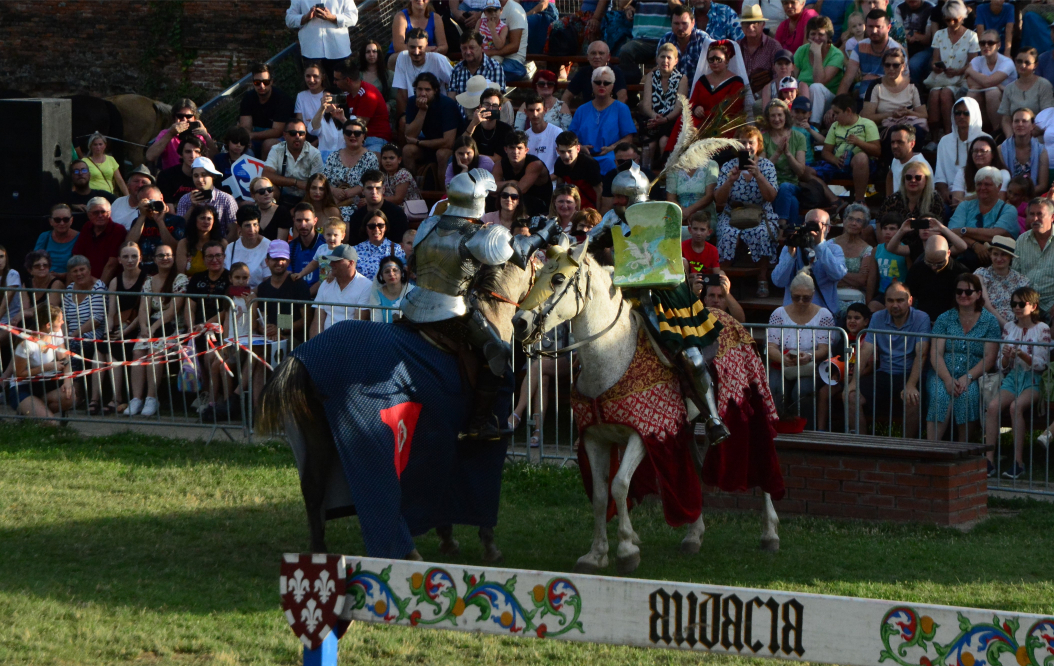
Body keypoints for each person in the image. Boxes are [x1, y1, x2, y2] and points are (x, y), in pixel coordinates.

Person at [401, 167, 558, 439]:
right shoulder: (480, 233)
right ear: (479, 200)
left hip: (414, 302)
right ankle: (480, 421)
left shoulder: (429, 223)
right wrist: (543, 235)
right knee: (497, 350)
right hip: (452, 309)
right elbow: (519, 254)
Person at [926, 272, 1001, 441]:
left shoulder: (990, 322)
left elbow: (989, 357)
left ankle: (963, 449)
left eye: (968, 292)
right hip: (942, 373)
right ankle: (930, 450)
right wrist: (947, 379)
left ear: (978, 294)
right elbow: (936, 353)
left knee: (967, 396)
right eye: (959, 291)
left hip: (973, 375)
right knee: (940, 395)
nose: (963, 295)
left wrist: (967, 377)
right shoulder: (944, 318)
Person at [985, 286, 1048, 479]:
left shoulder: (1042, 329)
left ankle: (1018, 462)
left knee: (1015, 407)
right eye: (1014, 304)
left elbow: (1042, 364)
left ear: (1034, 306)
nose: (1017, 307)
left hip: (1033, 379)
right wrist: (1006, 357)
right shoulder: (1009, 328)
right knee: (993, 406)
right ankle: (989, 460)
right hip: (1013, 376)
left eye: (1022, 304)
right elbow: (1001, 366)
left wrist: (1023, 354)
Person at [715, 125, 781, 297]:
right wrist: (730, 181)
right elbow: (719, 200)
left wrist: (758, 175)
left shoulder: (766, 166)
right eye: (742, 143)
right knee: (728, 234)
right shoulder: (728, 166)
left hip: (760, 213)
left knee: (763, 233)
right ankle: (722, 281)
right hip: (733, 213)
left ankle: (762, 277)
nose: (746, 147)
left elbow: (771, 196)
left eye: (750, 142)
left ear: (758, 144)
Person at [766, 271, 835, 428]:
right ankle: (775, 429)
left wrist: (809, 356)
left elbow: (825, 349)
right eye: (796, 297)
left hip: (811, 364)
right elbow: (770, 347)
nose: (801, 302)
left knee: (802, 391)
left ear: (813, 294)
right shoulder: (779, 314)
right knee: (775, 388)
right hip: (782, 363)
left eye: (806, 298)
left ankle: (805, 430)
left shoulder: (824, 315)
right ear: (790, 294)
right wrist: (782, 358)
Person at [862, 282, 931, 437]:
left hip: (909, 373)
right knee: (851, 395)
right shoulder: (878, 317)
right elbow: (866, 349)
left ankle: (906, 449)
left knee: (913, 398)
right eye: (890, 300)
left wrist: (912, 385)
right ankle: (861, 445)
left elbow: (922, 353)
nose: (895, 305)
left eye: (900, 300)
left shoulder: (921, 318)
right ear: (885, 302)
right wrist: (851, 383)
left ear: (910, 301)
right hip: (884, 373)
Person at [665, 40, 746, 154]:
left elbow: (733, 108)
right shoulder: (703, 81)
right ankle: (674, 155)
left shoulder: (736, 82)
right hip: (701, 117)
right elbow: (692, 102)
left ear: (727, 60)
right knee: (683, 121)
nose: (715, 63)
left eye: (719, 59)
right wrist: (695, 108)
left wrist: (708, 116)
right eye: (711, 59)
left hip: (722, 122)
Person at [6, 305, 74, 426]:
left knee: (70, 396)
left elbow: (65, 359)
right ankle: (33, 412)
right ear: (48, 325)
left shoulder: (57, 332)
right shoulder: (26, 344)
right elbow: (19, 374)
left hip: (44, 384)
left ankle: (31, 415)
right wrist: (48, 367)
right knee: (52, 424)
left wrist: (68, 379)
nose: (63, 322)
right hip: (24, 387)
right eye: (60, 320)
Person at [566, 67, 636, 178]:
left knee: (610, 163)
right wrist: (581, 147)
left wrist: (611, 148)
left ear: (612, 86)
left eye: (606, 83)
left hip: (611, 156)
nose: (602, 85)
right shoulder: (581, 110)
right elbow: (571, 138)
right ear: (592, 84)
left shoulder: (621, 109)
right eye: (598, 82)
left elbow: (628, 138)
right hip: (585, 156)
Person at [772, 208, 848, 309]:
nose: (813, 229)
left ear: (828, 228)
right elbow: (778, 281)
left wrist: (820, 246)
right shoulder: (791, 248)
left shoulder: (834, 249)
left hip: (823, 312)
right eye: (810, 224)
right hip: (793, 312)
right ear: (803, 225)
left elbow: (837, 274)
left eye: (817, 225)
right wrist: (791, 256)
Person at [948, 167, 1020, 270]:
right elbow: (952, 233)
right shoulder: (965, 206)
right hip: (963, 262)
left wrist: (964, 230)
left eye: (987, 184)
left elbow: (996, 234)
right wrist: (975, 245)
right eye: (979, 184)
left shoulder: (1008, 209)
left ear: (999, 187)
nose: (982, 188)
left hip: (996, 262)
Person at [861, 47, 927, 157]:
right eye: (887, 65)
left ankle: (913, 164)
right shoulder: (876, 86)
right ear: (883, 67)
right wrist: (891, 115)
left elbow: (924, 114)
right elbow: (867, 117)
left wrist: (907, 113)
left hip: (908, 125)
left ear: (903, 66)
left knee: (917, 132)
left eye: (896, 65)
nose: (891, 68)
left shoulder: (913, 85)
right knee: (893, 135)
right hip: (885, 127)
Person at [63, 255, 109, 413]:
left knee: (72, 348)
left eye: (82, 269)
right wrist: (62, 337)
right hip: (71, 336)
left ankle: (78, 396)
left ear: (89, 270)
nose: (79, 273)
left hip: (92, 336)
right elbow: (64, 318)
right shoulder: (69, 289)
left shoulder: (98, 287)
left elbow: (96, 319)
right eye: (74, 271)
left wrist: (73, 335)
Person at [815, 94, 881, 204]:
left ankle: (859, 200)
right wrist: (835, 160)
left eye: (837, 113)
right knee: (806, 170)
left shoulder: (868, 124)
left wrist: (859, 142)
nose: (834, 117)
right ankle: (836, 201)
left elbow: (877, 151)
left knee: (861, 158)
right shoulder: (835, 125)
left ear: (848, 111)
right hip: (837, 165)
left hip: (861, 166)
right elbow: (826, 152)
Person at [818, 302, 874, 431]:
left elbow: (871, 367)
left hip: (862, 379)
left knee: (849, 395)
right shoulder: (843, 337)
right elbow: (839, 360)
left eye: (857, 318)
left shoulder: (869, 339)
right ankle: (820, 430)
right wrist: (836, 374)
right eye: (849, 318)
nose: (852, 321)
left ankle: (853, 431)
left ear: (866, 321)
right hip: (844, 378)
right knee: (823, 392)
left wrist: (853, 377)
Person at [762, 99, 809, 229]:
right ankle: (790, 235)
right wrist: (777, 153)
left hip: (792, 186)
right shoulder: (763, 139)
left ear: (785, 116)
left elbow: (800, 171)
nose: (776, 119)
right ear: (768, 118)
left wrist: (788, 153)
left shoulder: (798, 137)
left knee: (785, 187)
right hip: (770, 187)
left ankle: (781, 225)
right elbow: (763, 170)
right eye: (773, 115)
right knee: (792, 202)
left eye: (779, 115)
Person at [641, 44, 688, 170]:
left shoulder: (682, 79)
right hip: (653, 118)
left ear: (676, 61)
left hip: (671, 120)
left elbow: (679, 107)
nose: (665, 61)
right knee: (649, 145)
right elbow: (646, 104)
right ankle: (647, 175)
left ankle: (665, 175)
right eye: (662, 57)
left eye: (669, 58)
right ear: (657, 59)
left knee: (664, 142)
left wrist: (665, 119)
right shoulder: (651, 76)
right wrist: (654, 117)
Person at [323, 117, 381, 220]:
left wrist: (348, 193)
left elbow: (371, 183)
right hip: (332, 201)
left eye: (357, 133)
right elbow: (324, 181)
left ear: (363, 136)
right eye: (348, 132)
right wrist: (334, 191)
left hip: (358, 205)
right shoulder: (333, 156)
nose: (352, 136)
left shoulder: (370, 158)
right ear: (344, 135)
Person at [839, 9, 904, 101]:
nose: (874, 30)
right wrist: (835, 106)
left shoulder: (896, 50)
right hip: (864, 95)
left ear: (888, 28)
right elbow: (847, 80)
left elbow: (902, 82)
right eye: (870, 26)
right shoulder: (859, 47)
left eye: (878, 27)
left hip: (888, 96)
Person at [933, 97, 987, 207]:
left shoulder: (985, 140)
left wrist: (967, 199)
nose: (961, 116)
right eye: (957, 113)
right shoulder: (945, 141)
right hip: (950, 196)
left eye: (966, 113)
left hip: (978, 196)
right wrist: (944, 192)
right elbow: (940, 175)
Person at [403, 72, 460, 174]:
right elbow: (409, 136)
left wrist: (419, 143)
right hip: (428, 145)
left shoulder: (447, 104)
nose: (423, 93)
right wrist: (422, 111)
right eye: (420, 89)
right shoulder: (412, 102)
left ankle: (443, 190)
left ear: (435, 90)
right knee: (408, 150)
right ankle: (413, 187)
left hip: (452, 148)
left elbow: (448, 142)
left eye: (427, 90)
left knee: (441, 154)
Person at [905, 234, 971, 322]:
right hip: (923, 320)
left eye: (939, 263)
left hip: (951, 321)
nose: (934, 267)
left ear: (948, 253)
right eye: (929, 262)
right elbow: (910, 298)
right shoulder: (917, 269)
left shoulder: (960, 272)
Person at [310, 243, 373, 336]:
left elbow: (358, 326)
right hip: (324, 342)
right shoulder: (326, 283)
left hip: (349, 344)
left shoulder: (366, 286)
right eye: (331, 260)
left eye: (336, 261)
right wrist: (316, 345)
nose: (331, 264)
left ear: (351, 263)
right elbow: (317, 322)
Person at [286, 0, 359, 79]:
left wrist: (332, 17)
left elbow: (353, 17)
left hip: (338, 51)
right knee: (314, 88)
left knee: (340, 88)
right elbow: (289, 20)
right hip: (312, 52)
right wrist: (305, 17)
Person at [793, 16, 845, 126]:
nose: (816, 38)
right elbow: (793, 78)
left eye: (821, 34)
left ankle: (813, 125)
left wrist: (817, 54)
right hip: (803, 97)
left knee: (815, 87)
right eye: (813, 34)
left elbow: (819, 80)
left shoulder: (836, 55)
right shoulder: (801, 50)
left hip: (829, 102)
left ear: (828, 36)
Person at [392, 29, 454, 121]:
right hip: (413, 109)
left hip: (437, 109)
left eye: (420, 47)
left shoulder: (438, 59)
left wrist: (447, 109)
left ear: (427, 46)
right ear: (407, 46)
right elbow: (401, 94)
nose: (416, 52)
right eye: (412, 47)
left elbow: (454, 84)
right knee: (403, 122)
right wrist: (403, 116)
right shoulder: (402, 58)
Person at [332, 61, 394, 151]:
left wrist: (342, 119)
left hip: (374, 139)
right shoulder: (346, 93)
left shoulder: (368, 95)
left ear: (348, 80)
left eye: (336, 79)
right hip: (355, 139)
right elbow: (328, 104)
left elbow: (357, 128)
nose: (334, 82)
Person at [238, 63, 296, 159]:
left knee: (268, 145)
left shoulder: (282, 99)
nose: (261, 86)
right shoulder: (248, 97)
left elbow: (277, 131)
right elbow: (245, 126)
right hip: (255, 137)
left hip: (279, 138)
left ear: (271, 82)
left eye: (266, 82)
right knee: (241, 145)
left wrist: (251, 135)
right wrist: (247, 138)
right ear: (253, 82)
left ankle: (265, 173)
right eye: (257, 82)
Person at [262, 119, 325, 207]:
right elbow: (266, 174)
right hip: (281, 195)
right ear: (285, 135)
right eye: (293, 133)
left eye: (301, 133)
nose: (297, 136)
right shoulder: (276, 149)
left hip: (306, 197)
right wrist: (295, 182)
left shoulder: (314, 154)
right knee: (267, 188)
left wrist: (298, 209)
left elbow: (317, 185)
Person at [965, 30, 1017, 135]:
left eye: (990, 43)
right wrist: (995, 84)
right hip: (986, 101)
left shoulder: (1007, 62)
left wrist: (970, 71)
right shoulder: (977, 60)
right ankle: (975, 132)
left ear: (999, 45)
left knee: (992, 92)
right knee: (972, 93)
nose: (986, 46)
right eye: (982, 43)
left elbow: (988, 83)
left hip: (1008, 100)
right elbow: (971, 84)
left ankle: (997, 132)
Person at [175, 157, 239, 240]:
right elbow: (180, 228)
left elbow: (234, 231)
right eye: (196, 176)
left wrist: (220, 248)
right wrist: (193, 207)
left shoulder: (227, 199)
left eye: (204, 175)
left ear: (212, 176)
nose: (199, 179)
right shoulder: (185, 199)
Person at [125, 185, 185, 274]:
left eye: (152, 201)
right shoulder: (138, 222)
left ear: (161, 198)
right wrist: (142, 216)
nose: (151, 206)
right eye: (146, 202)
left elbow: (176, 248)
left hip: (168, 271)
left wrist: (160, 222)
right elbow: (129, 245)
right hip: (143, 272)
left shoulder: (177, 221)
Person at [145, 99, 217, 170]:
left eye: (188, 116)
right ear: (174, 118)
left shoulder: (201, 134)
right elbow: (150, 156)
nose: (184, 120)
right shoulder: (166, 134)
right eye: (180, 116)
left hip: (196, 176)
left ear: (195, 118)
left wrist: (206, 136)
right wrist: (170, 134)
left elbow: (214, 158)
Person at [833, 203, 878, 315]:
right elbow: (823, 275)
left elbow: (862, 280)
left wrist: (835, 273)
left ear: (864, 226)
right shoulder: (830, 245)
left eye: (859, 221)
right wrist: (851, 279)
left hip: (855, 302)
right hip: (829, 296)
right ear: (844, 220)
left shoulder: (868, 250)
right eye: (851, 219)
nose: (853, 223)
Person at [975, 236, 1030, 328]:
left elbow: (1024, 309)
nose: (999, 258)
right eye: (995, 254)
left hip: (1015, 326)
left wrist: (1013, 329)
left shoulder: (1021, 280)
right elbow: (984, 304)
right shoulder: (981, 274)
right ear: (990, 255)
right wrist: (1005, 325)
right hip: (986, 324)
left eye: (1003, 254)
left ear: (1011, 257)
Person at [494, 131, 553, 216]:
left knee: (522, 199)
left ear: (526, 150)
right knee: (491, 199)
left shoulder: (535, 164)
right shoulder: (499, 164)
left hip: (540, 205)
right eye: (512, 147)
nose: (515, 152)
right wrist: (511, 183)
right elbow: (491, 189)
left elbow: (520, 190)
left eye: (519, 148)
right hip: (513, 202)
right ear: (505, 149)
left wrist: (503, 186)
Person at [71, 197, 126, 285]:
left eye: (103, 212)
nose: (100, 215)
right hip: (84, 281)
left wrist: (98, 290)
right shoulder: (87, 227)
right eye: (96, 212)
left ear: (109, 213)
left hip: (108, 285)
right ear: (89, 215)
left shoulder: (118, 230)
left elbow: (112, 264)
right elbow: (76, 257)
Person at [1012, 198, 1054, 311]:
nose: (1035, 219)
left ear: (1052, 217)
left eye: (1040, 214)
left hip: (1051, 303)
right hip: (1025, 304)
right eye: (1031, 214)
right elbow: (1015, 274)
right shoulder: (1022, 240)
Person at [347, 170, 410, 245]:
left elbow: (401, 245)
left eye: (378, 188)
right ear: (363, 191)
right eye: (369, 188)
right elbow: (354, 245)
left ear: (383, 189)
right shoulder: (356, 217)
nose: (374, 192)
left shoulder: (397, 214)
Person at [296, 63, 343, 160]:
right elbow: (299, 122)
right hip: (307, 137)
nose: (311, 80)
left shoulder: (330, 94)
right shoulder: (301, 96)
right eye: (308, 76)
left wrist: (316, 142)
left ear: (323, 77)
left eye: (315, 76)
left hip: (325, 139)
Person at [449, 33, 507, 110]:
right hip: (461, 118)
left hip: (486, 116)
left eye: (472, 48)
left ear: (482, 47)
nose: (468, 52)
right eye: (464, 48)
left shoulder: (494, 67)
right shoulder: (457, 69)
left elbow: (498, 99)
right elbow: (451, 99)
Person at [1000, 108, 1051, 195]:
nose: (1020, 124)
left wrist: (1021, 196)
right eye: (1016, 121)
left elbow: (1043, 186)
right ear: (1012, 124)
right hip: (1007, 197)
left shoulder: (1042, 152)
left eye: (1024, 121)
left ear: (1032, 125)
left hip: (1031, 197)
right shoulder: (1000, 150)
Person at [563, 41, 630, 107]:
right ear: (588, 57)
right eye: (593, 53)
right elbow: (566, 96)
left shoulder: (616, 72)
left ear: (608, 57)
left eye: (601, 53)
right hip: (589, 114)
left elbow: (622, 97)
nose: (597, 56)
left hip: (611, 113)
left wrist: (615, 115)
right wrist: (564, 115)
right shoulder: (583, 72)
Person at [880, 160, 946, 223]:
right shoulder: (893, 199)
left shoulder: (935, 199)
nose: (913, 180)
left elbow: (937, 227)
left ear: (926, 180)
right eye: (908, 177)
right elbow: (880, 222)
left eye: (918, 177)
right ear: (904, 180)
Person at [460, 85, 514, 162]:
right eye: (487, 104)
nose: (490, 108)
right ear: (480, 106)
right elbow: (460, 148)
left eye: (494, 105)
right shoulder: (470, 124)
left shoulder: (505, 129)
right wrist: (473, 124)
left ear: (499, 109)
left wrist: (471, 156)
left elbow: (496, 159)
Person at [953, 135, 1011, 205]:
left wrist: (967, 200)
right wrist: (987, 195)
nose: (978, 154)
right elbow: (956, 202)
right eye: (975, 151)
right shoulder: (963, 172)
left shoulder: (1003, 173)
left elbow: (999, 200)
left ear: (993, 154)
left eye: (983, 151)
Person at [224, 206, 272, 288]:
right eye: (247, 225)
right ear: (239, 227)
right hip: (235, 295)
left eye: (255, 225)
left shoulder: (269, 247)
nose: (252, 229)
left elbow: (269, 280)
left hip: (259, 296)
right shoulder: (230, 248)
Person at [553, 132, 603, 209]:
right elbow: (559, 189)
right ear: (557, 150)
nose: (566, 156)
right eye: (562, 152)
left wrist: (598, 216)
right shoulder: (559, 163)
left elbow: (599, 191)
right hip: (573, 207)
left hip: (590, 208)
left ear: (578, 149)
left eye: (569, 151)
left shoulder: (589, 164)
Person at [389, 0, 449, 65]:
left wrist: (437, 50)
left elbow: (444, 46)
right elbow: (398, 47)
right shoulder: (401, 17)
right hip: (404, 55)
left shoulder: (436, 18)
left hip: (429, 56)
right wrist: (424, 49)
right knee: (405, 57)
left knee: (445, 60)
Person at [739, 5, 781, 95]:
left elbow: (778, 76)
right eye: (746, 23)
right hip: (738, 96)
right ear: (741, 25)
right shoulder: (736, 46)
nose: (750, 27)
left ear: (763, 25)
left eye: (755, 23)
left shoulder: (774, 46)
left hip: (765, 96)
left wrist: (762, 93)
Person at [352, 211, 407, 280]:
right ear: (366, 228)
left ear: (386, 227)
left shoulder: (396, 249)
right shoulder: (355, 251)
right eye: (372, 226)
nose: (376, 229)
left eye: (380, 225)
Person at [176, 205, 227, 277]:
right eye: (202, 218)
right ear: (195, 220)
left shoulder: (222, 243)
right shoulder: (184, 243)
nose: (206, 222)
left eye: (209, 219)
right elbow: (180, 274)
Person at [667, 156, 719, 224]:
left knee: (698, 231)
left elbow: (710, 196)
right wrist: (683, 213)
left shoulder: (710, 165)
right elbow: (671, 198)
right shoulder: (674, 168)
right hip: (679, 216)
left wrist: (688, 211)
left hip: (704, 217)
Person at [63, 159, 116, 226]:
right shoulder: (66, 199)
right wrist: (71, 207)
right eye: (76, 171)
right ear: (71, 176)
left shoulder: (104, 196)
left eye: (84, 170)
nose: (80, 173)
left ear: (89, 175)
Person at [156, 137, 203, 210]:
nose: (192, 156)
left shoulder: (207, 177)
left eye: (197, 152)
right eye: (188, 152)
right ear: (181, 154)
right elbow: (167, 206)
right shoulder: (166, 176)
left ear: (201, 155)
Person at [522, 93, 562, 175]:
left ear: (545, 110)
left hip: (552, 182)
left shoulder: (557, 132)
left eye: (538, 110)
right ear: (526, 112)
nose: (535, 114)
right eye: (531, 110)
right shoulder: (524, 136)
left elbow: (563, 165)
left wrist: (546, 182)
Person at [288, 204, 327, 289]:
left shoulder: (326, 245)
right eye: (299, 220)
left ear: (315, 221)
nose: (303, 225)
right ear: (294, 221)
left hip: (321, 297)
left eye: (307, 220)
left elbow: (325, 278)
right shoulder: (290, 247)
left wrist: (306, 296)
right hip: (297, 296)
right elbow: (289, 276)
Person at [35, 204, 78, 276]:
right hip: (46, 278)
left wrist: (60, 275)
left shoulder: (80, 238)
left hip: (71, 280)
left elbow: (81, 266)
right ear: (50, 221)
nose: (62, 223)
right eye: (57, 220)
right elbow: (35, 262)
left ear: (71, 220)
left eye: (66, 219)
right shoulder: (44, 237)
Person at [368, 255, 414, 322]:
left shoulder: (412, 292)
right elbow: (376, 321)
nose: (391, 274)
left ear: (401, 273)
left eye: (395, 270)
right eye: (387, 271)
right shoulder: (377, 294)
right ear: (382, 276)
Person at [897, 0, 933, 85]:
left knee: (913, 65)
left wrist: (909, 34)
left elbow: (927, 39)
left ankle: (915, 91)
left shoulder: (930, 8)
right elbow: (898, 32)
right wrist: (915, 35)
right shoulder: (899, 8)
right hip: (904, 46)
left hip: (925, 48)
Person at [110, 165, 157, 230]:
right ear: (128, 185)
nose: (140, 185)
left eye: (144, 182)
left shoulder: (154, 206)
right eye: (136, 181)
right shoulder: (118, 202)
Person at [884, 124, 927, 196]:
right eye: (893, 142)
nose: (894, 146)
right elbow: (890, 175)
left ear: (912, 144)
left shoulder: (920, 167)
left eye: (900, 142)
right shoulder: (896, 159)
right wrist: (888, 200)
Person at [493, 0, 529, 82]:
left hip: (513, 60)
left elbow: (514, 46)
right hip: (492, 58)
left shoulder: (515, 9)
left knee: (490, 73)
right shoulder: (487, 10)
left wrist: (490, 53)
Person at [248, 177, 293, 241]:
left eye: (269, 189)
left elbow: (280, 242)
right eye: (261, 191)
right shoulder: (250, 213)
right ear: (253, 196)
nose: (266, 193)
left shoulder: (282, 212)